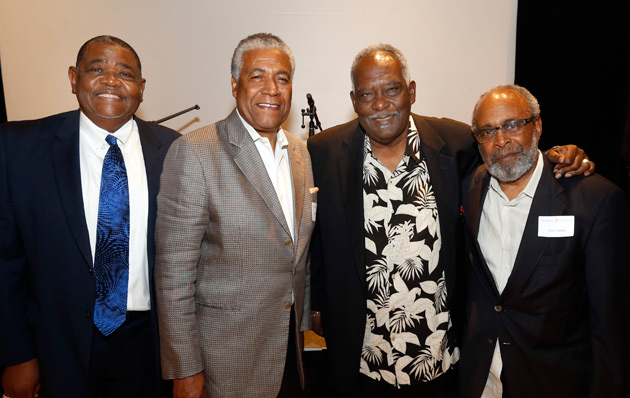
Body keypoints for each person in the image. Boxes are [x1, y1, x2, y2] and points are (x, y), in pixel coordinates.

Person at [307, 44, 594, 397]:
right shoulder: (323, 152)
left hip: (443, 360)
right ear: (354, 100)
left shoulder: (455, 143)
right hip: (364, 361)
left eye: (392, 89)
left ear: (411, 91)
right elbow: (315, 238)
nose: (380, 104)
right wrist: (316, 304)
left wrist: (554, 157)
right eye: (367, 94)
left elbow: (509, 159)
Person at [0, 35, 180, 397]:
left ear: (141, 88)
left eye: (125, 73)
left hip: (151, 347)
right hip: (57, 347)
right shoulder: (19, 146)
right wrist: (16, 355)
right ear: (73, 78)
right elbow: (5, 262)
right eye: (97, 69)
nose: (111, 80)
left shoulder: (176, 149)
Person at [155, 33, 315, 398]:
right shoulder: (195, 152)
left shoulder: (300, 154)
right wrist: (185, 369)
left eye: (283, 78)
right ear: (234, 85)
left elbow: (295, 253)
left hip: (288, 353)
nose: (271, 89)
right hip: (223, 362)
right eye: (257, 76)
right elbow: (173, 272)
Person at [459, 84, 629, 397]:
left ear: (536, 126)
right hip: (482, 376)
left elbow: (610, 326)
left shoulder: (594, 200)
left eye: (512, 125)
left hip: (553, 380)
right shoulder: (471, 186)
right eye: (487, 131)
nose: (501, 141)